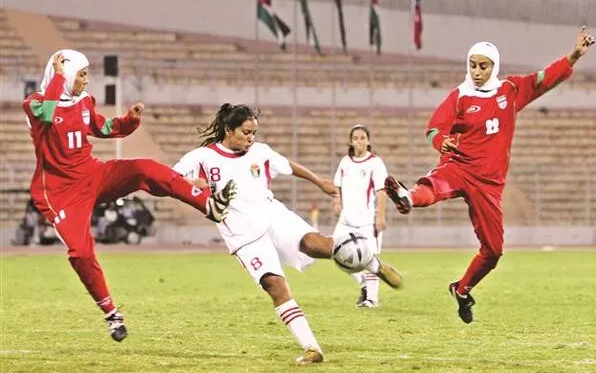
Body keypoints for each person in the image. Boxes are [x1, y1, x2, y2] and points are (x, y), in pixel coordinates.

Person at [23, 49, 236, 342]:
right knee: (81, 252)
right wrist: (59, 77)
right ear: (66, 74)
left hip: (91, 175)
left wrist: (128, 121)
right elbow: (48, 114)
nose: (86, 81)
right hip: (60, 193)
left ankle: (207, 204)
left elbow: (102, 127)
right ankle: (112, 313)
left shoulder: (84, 102)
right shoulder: (35, 104)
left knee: (143, 168)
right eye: (81, 74)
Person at [384, 27, 594, 324]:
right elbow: (434, 127)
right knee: (434, 185)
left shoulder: (510, 89)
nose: (477, 71)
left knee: (493, 251)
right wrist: (439, 140)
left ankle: (461, 289)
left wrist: (573, 55)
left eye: (484, 66)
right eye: (473, 65)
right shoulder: (460, 96)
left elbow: (544, 79)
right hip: (460, 165)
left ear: (495, 66)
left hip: (490, 185)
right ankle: (406, 197)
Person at [173, 103, 403, 364]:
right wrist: (193, 184)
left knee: (319, 245)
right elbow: (170, 179)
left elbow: (289, 166)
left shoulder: (260, 152)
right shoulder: (202, 157)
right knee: (275, 285)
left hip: (273, 215)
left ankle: (375, 265)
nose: (251, 138)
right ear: (229, 129)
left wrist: (319, 182)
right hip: (242, 234)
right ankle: (312, 348)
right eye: (246, 132)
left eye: (254, 133)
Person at [332, 125, 390, 308]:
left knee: (370, 258)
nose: (359, 141)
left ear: (368, 141)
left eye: (363, 137)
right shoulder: (345, 162)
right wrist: (336, 201)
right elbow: (337, 186)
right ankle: (363, 283)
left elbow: (382, 191)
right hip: (346, 220)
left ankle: (372, 299)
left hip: (367, 221)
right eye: (356, 138)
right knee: (335, 254)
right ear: (351, 141)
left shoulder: (375, 163)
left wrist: (380, 217)